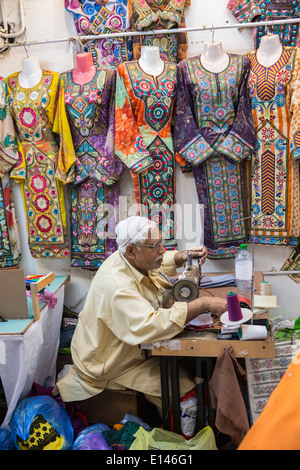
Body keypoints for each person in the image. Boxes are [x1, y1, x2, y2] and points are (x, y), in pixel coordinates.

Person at [55, 216, 227, 418]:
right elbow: (150, 325)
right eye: (155, 245)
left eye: (161, 243)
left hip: (127, 351)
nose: (162, 250)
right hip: (111, 364)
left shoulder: (128, 258)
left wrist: (181, 257)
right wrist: (203, 304)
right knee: (186, 393)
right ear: (130, 251)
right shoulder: (117, 285)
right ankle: (182, 440)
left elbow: (155, 263)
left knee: (191, 369)